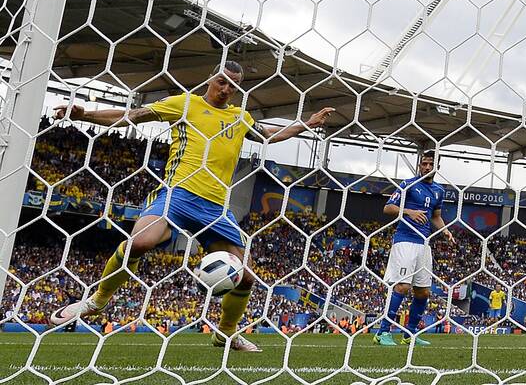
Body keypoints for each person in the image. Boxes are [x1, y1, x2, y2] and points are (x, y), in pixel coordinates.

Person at [47, 61, 334, 352]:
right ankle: (97, 301)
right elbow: (132, 115)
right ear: (211, 78)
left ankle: (225, 334)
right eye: (222, 81)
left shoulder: (240, 117)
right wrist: (85, 114)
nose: (226, 89)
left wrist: (305, 124)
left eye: (233, 86)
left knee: (246, 277)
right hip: (177, 194)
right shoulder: (185, 104)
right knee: (140, 242)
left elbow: (269, 136)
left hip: (215, 208)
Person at [373, 149, 454, 346]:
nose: (426, 167)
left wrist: (445, 230)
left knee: (423, 292)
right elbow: (388, 207)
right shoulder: (408, 184)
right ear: (419, 165)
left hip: (423, 243)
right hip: (405, 240)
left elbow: (435, 215)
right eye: (424, 164)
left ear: (436, 167)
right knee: (402, 286)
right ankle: (382, 333)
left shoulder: (439, 190)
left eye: (430, 164)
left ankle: (409, 335)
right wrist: (408, 211)